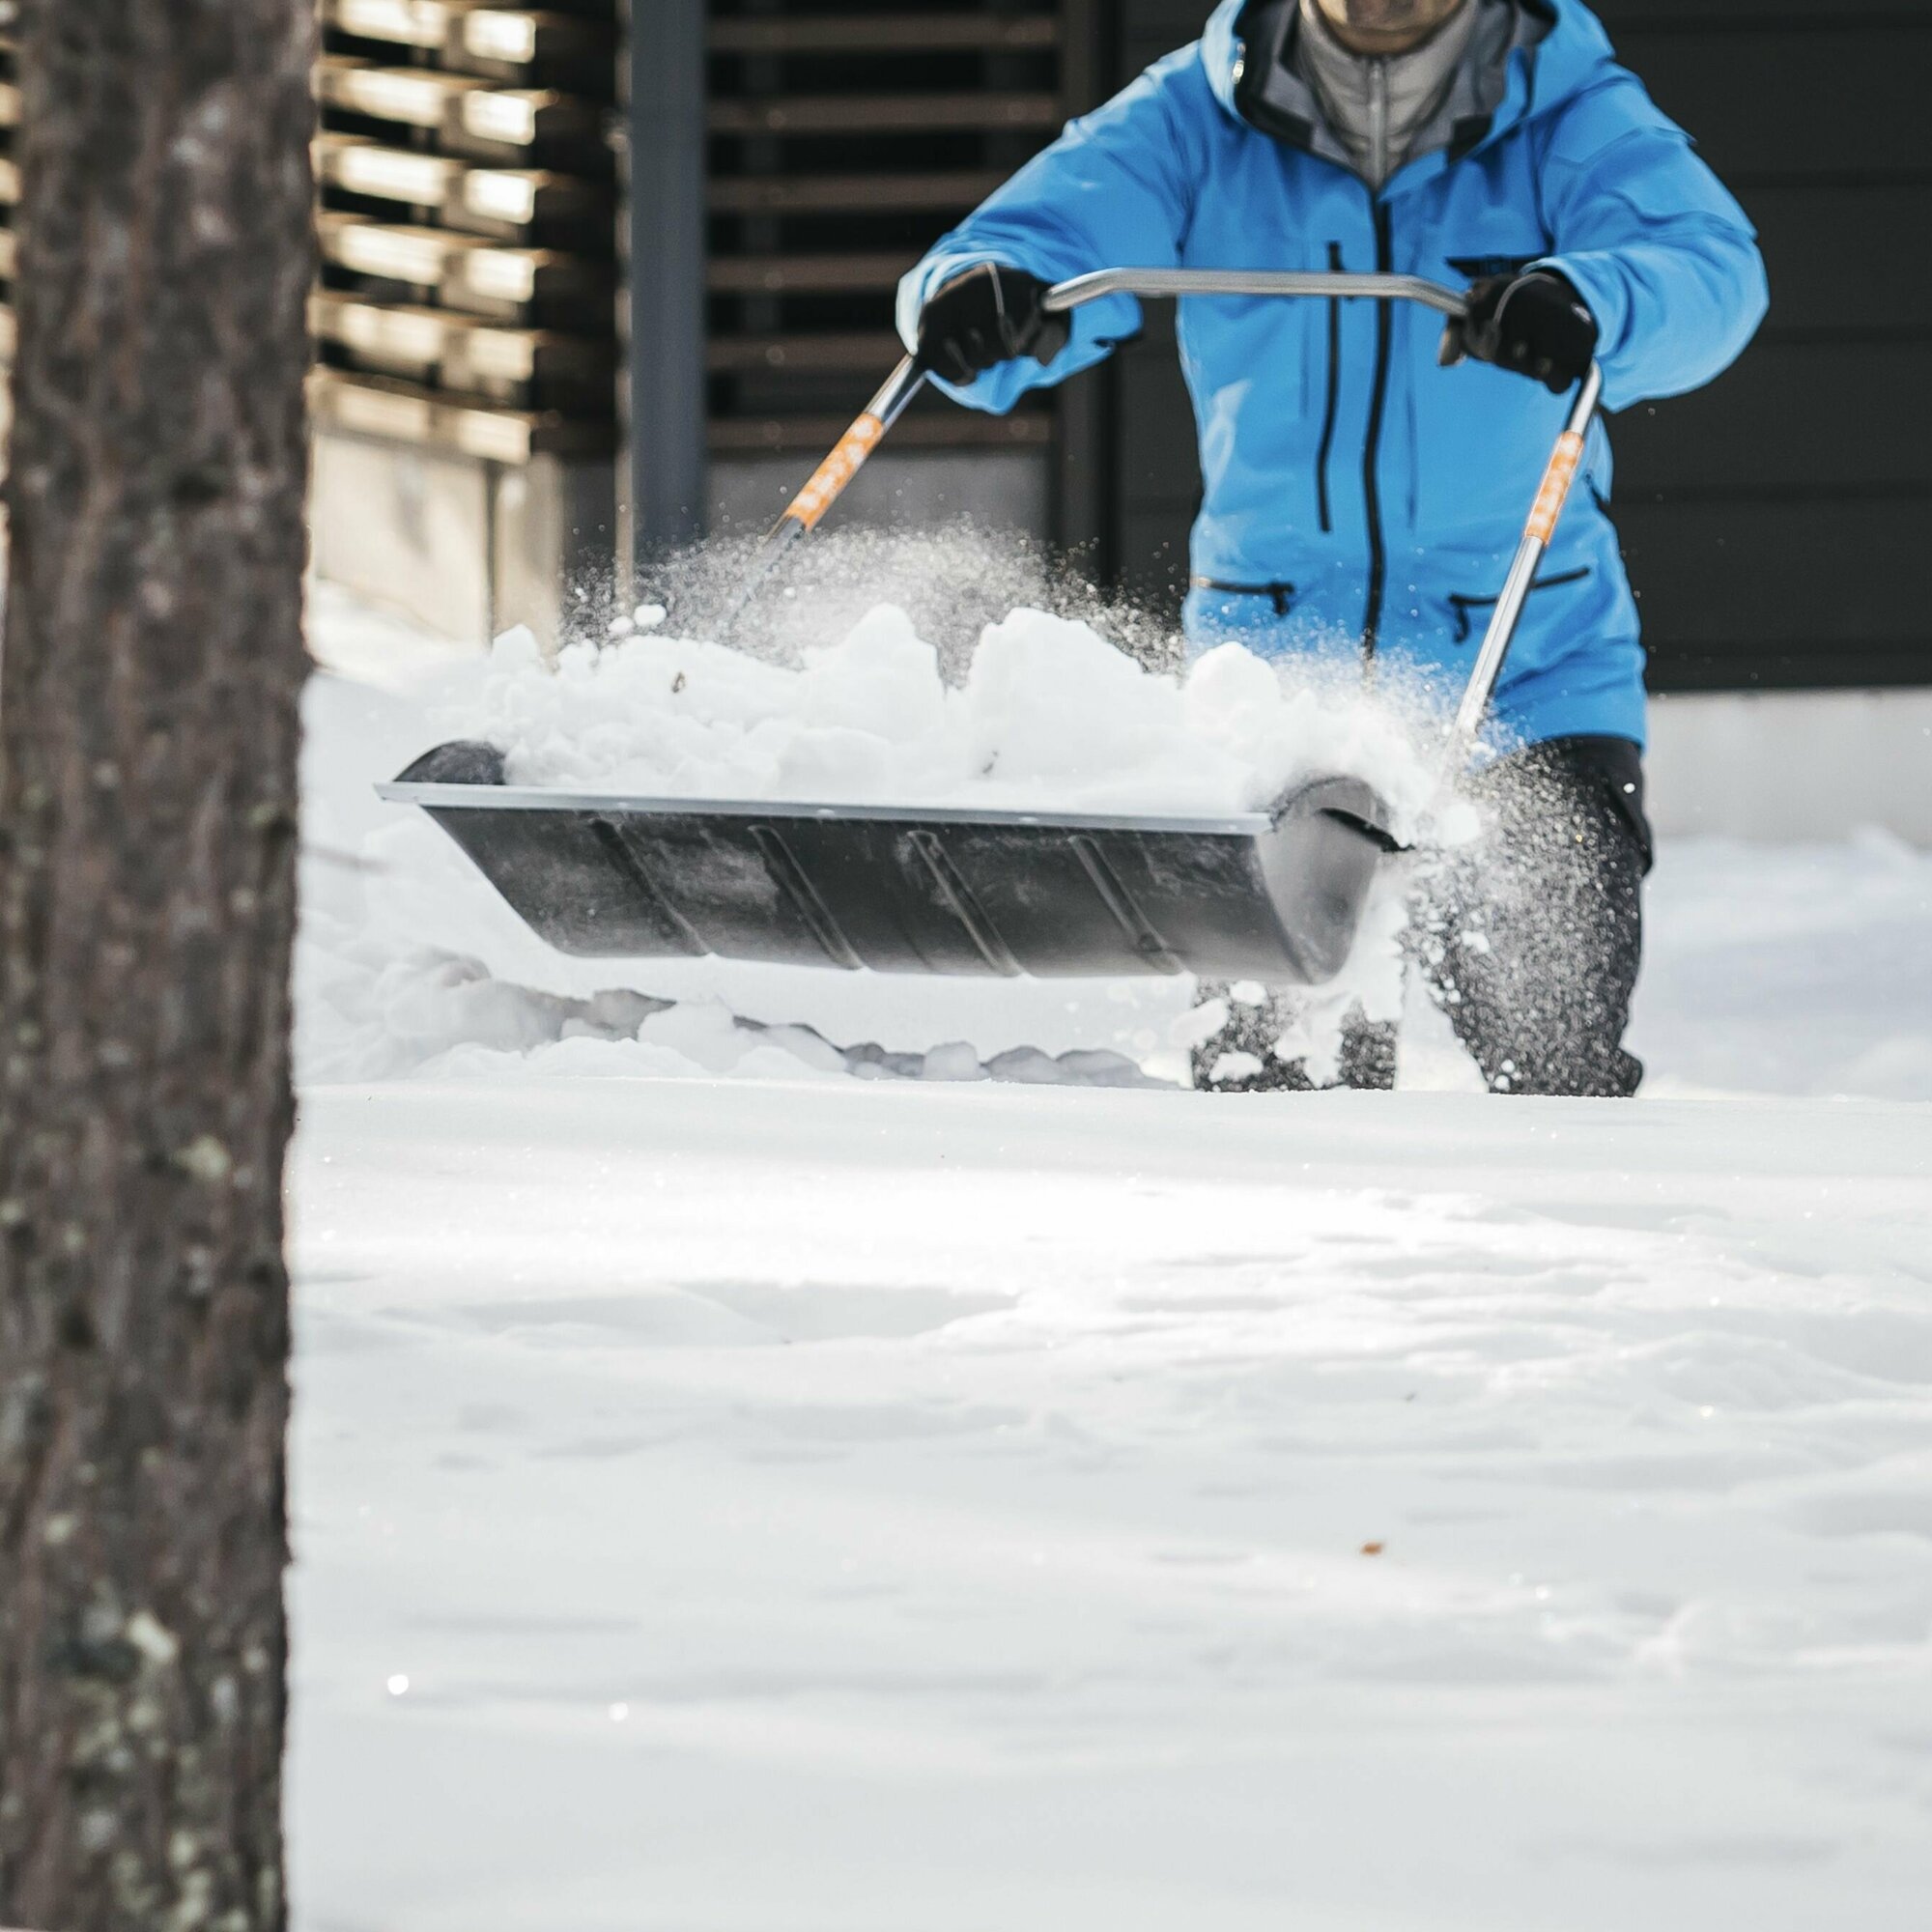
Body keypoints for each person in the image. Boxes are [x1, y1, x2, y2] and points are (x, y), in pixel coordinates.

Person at [898, 0, 1767, 1097]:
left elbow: (1711, 271)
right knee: (1271, 1080)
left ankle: (1556, 1266)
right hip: (1278, 692)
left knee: (1553, 1056)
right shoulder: (1195, 111)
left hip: (1525, 670)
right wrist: (983, 301)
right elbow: (1017, 249)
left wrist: (1590, 297)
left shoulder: (1564, 104)